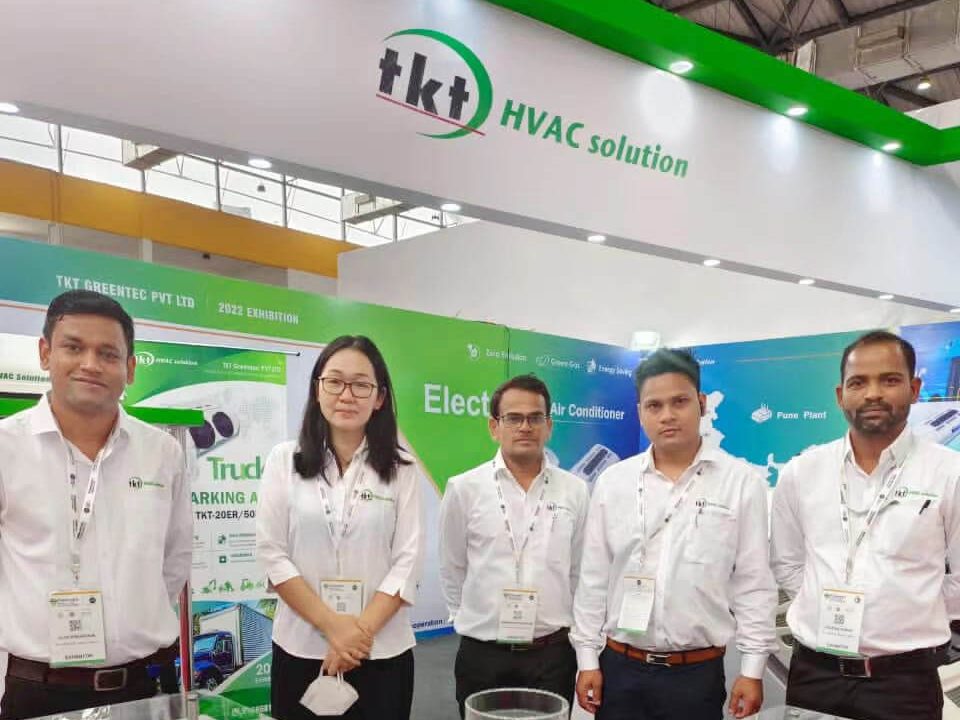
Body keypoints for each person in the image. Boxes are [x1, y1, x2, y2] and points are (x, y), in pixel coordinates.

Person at [0, 290, 191, 720]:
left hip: (146, 684)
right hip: (38, 690)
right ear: (45, 353)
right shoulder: (6, 447)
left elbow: (174, 559)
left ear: (130, 368)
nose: (90, 364)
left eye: (108, 353)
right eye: (73, 347)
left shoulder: (161, 452)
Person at [572, 348, 777, 720]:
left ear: (702, 403)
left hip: (696, 674)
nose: (667, 415)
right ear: (640, 413)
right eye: (654, 405)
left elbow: (753, 583)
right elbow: (593, 578)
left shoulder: (740, 483)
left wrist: (753, 669)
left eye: (679, 401)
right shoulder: (613, 482)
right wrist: (587, 659)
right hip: (620, 667)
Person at [771, 330, 960, 720]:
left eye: (889, 380)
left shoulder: (948, 473)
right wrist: (820, 601)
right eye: (858, 382)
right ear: (841, 395)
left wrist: (910, 609)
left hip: (903, 682)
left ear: (914, 389)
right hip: (813, 675)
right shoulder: (802, 472)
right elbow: (787, 563)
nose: (873, 393)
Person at [256, 335, 424, 720]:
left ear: (379, 398)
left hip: (381, 650)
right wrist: (333, 626)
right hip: (302, 647)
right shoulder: (284, 460)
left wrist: (357, 634)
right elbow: (272, 553)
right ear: (317, 389)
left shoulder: (402, 469)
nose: (347, 395)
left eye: (361, 384)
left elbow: (408, 560)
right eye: (334, 381)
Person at [439, 374, 588, 716]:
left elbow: (579, 570)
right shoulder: (464, 488)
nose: (525, 427)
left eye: (535, 418)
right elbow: (452, 566)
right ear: (494, 426)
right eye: (513, 418)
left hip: (551, 654)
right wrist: (469, 618)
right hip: (483, 653)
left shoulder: (575, 491)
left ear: (549, 426)